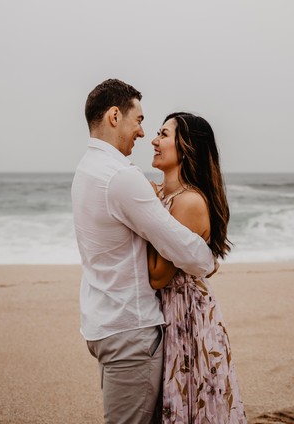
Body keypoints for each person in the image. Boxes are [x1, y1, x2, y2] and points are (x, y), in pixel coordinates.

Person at [71, 80, 217, 424]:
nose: (142, 133)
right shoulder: (120, 177)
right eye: (138, 121)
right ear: (114, 116)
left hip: (102, 322)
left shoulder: (86, 170)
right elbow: (182, 248)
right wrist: (207, 258)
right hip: (130, 329)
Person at [148, 112, 247, 423]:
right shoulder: (164, 195)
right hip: (170, 314)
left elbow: (158, 276)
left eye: (163, 134)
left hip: (186, 317)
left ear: (186, 146)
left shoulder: (189, 202)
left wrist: (149, 211)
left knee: (191, 402)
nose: (154, 140)